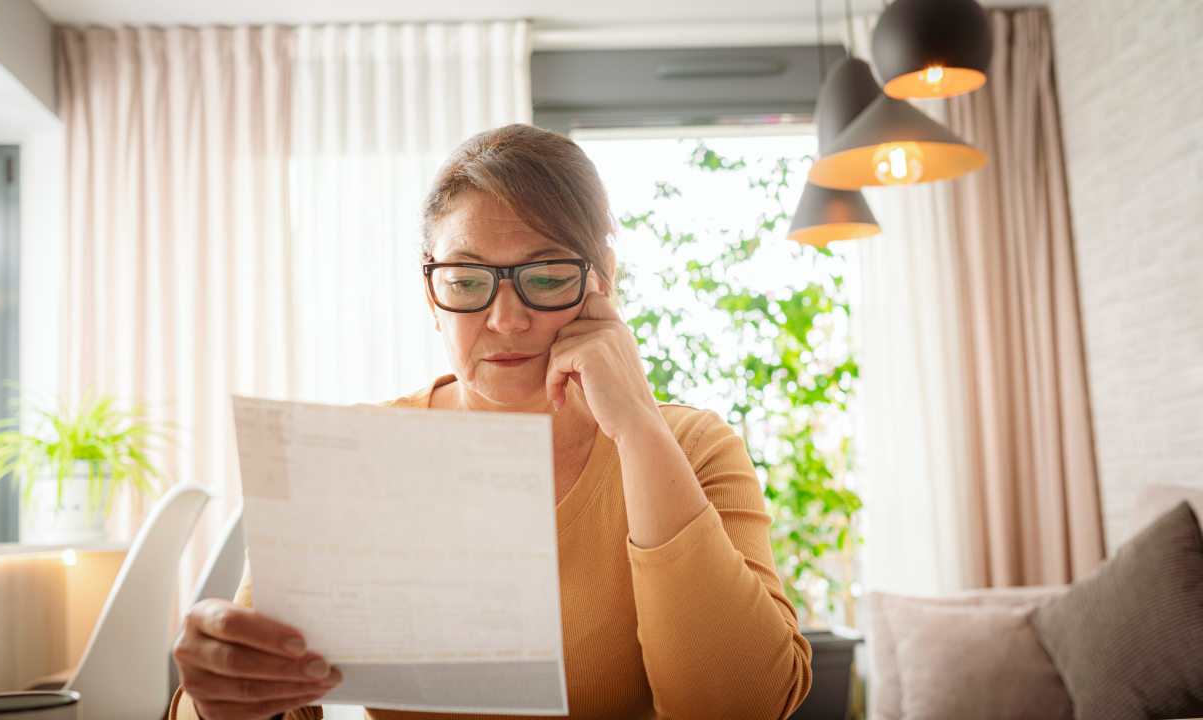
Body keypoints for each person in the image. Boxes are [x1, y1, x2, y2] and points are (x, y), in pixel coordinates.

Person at [170, 124, 811, 720]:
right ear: (432, 295)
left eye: (546, 276)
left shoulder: (693, 447)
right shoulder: (353, 459)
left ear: (603, 282)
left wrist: (640, 430)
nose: (506, 319)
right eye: (467, 281)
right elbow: (259, 696)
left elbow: (744, 706)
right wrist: (216, 696)